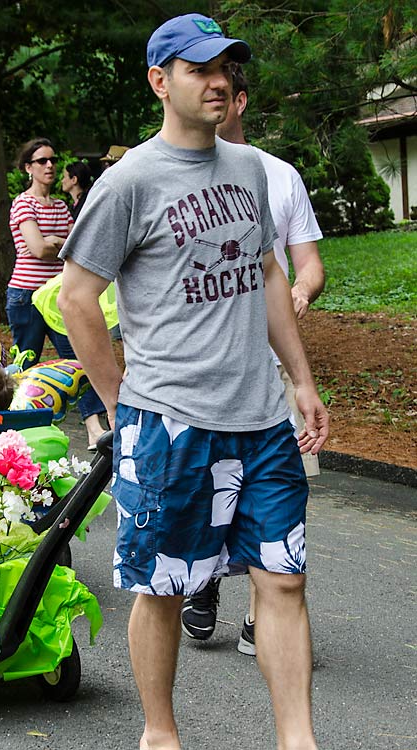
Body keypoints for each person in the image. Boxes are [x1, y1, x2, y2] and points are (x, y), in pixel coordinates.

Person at [57, 12, 328, 750]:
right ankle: (160, 734)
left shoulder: (251, 169)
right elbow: (77, 298)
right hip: (170, 423)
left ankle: (297, 741)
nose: (219, 82)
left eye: (226, 70)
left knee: (283, 579)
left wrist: (299, 379)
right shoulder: (129, 183)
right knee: (165, 586)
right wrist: (122, 406)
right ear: (159, 80)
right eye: (200, 70)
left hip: (262, 418)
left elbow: (268, 272)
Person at [181, 64, 326, 655]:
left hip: (274, 357)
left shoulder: (279, 176)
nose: (216, 93)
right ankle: (206, 577)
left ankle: (262, 608)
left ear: (240, 100)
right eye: (203, 78)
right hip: (209, 364)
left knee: (283, 490)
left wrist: (300, 292)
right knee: (213, 482)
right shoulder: (175, 173)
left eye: (226, 85)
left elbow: (305, 262)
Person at [7, 137, 106, 449]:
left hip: (59, 297)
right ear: (28, 168)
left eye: (52, 160)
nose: (49, 166)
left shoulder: (61, 206)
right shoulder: (23, 203)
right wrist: (55, 241)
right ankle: (15, 431)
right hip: (25, 296)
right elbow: (37, 249)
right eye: (41, 161)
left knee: (80, 361)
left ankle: (94, 430)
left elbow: (78, 246)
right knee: (26, 363)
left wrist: (53, 240)